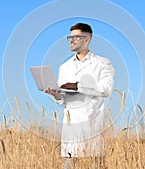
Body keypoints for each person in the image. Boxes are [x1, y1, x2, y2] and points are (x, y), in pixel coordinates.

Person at [45, 22, 115, 168]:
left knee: (95, 164)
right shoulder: (64, 66)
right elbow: (63, 100)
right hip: (70, 126)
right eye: (69, 37)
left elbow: (106, 89)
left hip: (93, 124)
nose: (71, 40)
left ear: (87, 39)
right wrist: (55, 95)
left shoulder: (102, 63)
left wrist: (78, 86)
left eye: (75, 37)